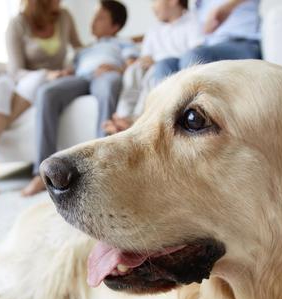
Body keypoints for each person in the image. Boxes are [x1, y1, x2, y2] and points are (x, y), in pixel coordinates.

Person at [0, 0, 82, 197]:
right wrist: (46, 73)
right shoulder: (17, 24)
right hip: (22, 78)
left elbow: (78, 47)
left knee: (38, 81)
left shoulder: (64, 17)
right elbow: (15, 70)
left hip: (47, 81)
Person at [21, 0, 135, 196]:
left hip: (105, 74)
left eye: (100, 17)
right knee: (47, 92)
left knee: (110, 85)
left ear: (115, 26)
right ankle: (40, 173)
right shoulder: (84, 50)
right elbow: (74, 68)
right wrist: (67, 72)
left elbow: (133, 62)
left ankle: (102, 166)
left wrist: (118, 68)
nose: (93, 21)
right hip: (80, 77)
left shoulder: (123, 42)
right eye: (93, 15)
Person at [103, 0, 203, 134]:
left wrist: (155, 61)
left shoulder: (193, 21)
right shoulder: (155, 29)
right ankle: (123, 116)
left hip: (169, 68)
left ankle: (139, 118)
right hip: (151, 66)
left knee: (153, 73)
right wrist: (144, 60)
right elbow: (145, 56)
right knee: (134, 70)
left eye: (155, 1)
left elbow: (194, 54)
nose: (152, 6)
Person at [152, 0, 262, 83]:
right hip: (208, 48)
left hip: (241, 42)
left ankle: (198, 111)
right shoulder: (199, 4)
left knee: (193, 56)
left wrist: (227, 8)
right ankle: (170, 112)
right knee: (164, 64)